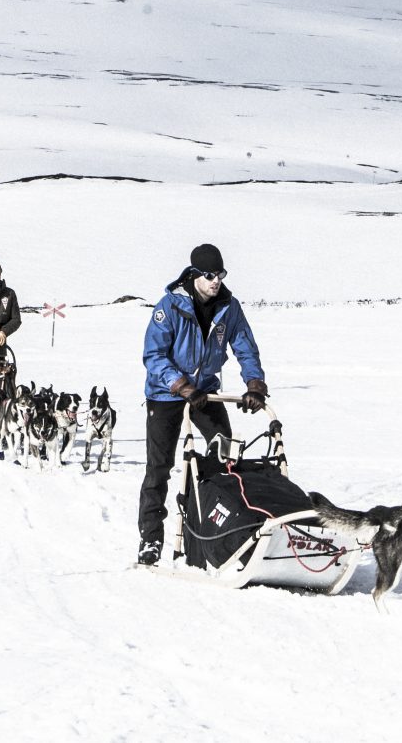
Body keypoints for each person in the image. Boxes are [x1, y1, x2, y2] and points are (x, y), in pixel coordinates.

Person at [135, 243, 267, 567]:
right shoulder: (169, 306)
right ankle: (151, 539)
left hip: (205, 393)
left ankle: (215, 532)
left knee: (225, 457)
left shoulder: (229, 307)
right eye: (209, 275)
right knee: (159, 467)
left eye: (220, 274)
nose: (216, 281)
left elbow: (245, 346)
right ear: (194, 275)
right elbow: (153, 355)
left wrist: (254, 384)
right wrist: (182, 386)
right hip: (166, 394)